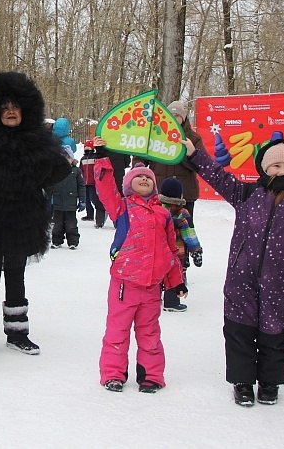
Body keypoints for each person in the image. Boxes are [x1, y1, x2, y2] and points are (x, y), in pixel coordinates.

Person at [183, 136, 284, 406]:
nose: (281, 171)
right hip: (241, 279)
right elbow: (218, 177)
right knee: (239, 332)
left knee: (274, 335)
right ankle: (242, 382)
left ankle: (270, 383)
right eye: (276, 167)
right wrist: (195, 155)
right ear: (264, 168)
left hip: (279, 282)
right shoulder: (248, 194)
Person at [0, 71, 71, 355]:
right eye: (4, 107)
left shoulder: (37, 142)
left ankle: (18, 333)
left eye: (15, 107)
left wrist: (57, 164)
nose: (10, 112)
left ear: (25, 110)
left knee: (16, 274)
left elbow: (55, 170)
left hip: (22, 219)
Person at [93, 138, 186, 393]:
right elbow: (104, 187)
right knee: (117, 332)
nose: (144, 180)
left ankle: (151, 375)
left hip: (151, 288)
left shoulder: (163, 214)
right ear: (129, 185)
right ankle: (113, 373)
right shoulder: (122, 208)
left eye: (148, 178)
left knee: (150, 335)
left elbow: (170, 250)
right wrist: (102, 156)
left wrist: (176, 280)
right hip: (124, 284)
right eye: (138, 177)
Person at [148, 100, 203, 222]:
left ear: (183, 118)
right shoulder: (155, 136)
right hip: (159, 192)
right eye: (170, 115)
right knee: (158, 228)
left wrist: (186, 154)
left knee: (184, 230)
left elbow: (201, 164)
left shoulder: (193, 139)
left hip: (185, 194)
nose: (173, 118)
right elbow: (139, 159)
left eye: (177, 115)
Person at [158, 177, 203, 312]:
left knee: (158, 274)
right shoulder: (182, 212)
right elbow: (189, 235)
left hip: (158, 250)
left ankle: (154, 299)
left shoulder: (156, 208)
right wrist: (196, 251)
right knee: (176, 275)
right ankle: (171, 302)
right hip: (178, 251)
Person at [49, 145, 85, 249]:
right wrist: (48, 199)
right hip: (58, 202)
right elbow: (50, 185)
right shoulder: (55, 171)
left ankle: (73, 241)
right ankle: (56, 240)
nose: (65, 160)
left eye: (68, 158)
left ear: (71, 158)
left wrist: (82, 200)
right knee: (57, 224)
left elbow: (81, 186)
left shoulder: (76, 171)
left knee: (71, 224)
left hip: (71, 202)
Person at [80, 140, 106, 227]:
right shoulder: (83, 159)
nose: (87, 149)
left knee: (93, 198)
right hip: (85, 182)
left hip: (93, 182)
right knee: (87, 199)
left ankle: (99, 211)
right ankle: (89, 214)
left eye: (88, 147)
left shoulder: (95, 157)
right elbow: (81, 170)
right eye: (85, 147)